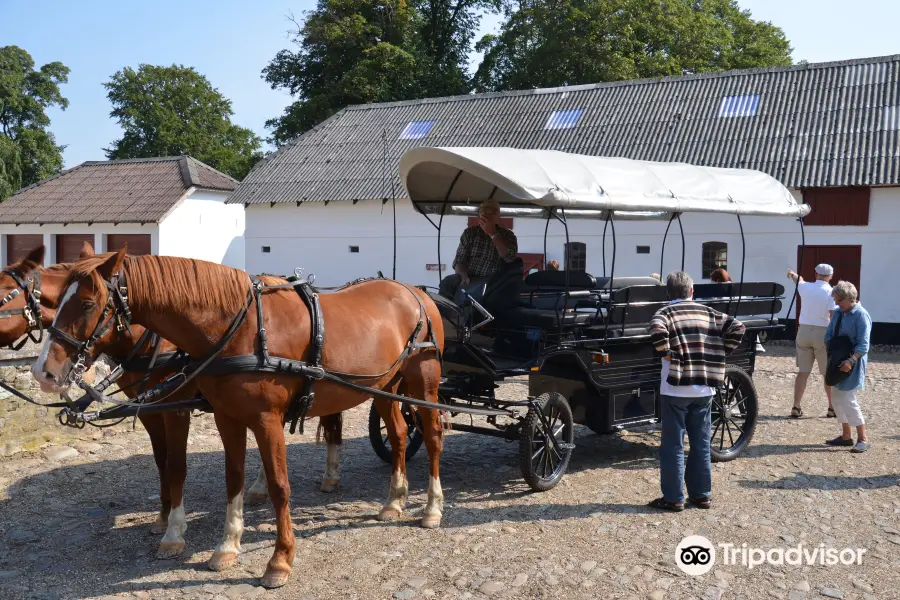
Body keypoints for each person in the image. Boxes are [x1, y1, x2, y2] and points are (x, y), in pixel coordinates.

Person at [648, 272, 745, 511]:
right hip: (704, 387)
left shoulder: (664, 313)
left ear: (668, 293)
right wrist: (721, 352)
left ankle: (673, 498)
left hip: (675, 387)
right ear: (692, 291)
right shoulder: (709, 313)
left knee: (673, 445)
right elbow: (738, 327)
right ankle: (701, 495)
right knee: (701, 443)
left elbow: (657, 332)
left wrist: (668, 354)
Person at [824, 281, 871, 453]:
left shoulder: (861, 315)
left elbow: (863, 345)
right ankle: (846, 436)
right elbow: (828, 334)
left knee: (848, 400)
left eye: (839, 301)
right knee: (836, 398)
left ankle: (863, 438)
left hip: (852, 363)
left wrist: (850, 361)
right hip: (837, 359)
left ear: (850, 298)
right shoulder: (838, 313)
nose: (836, 304)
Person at [439, 201, 518, 299]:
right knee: (447, 282)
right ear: (479, 216)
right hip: (469, 276)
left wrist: (493, 234)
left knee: (467, 292)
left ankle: (460, 313)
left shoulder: (508, 236)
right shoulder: (470, 233)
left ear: (498, 216)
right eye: (484, 213)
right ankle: (441, 312)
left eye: (491, 214)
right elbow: (460, 259)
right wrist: (462, 274)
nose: (487, 217)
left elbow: (510, 258)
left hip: (493, 281)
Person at [786, 264, 836, 418]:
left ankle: (796, 406)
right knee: (827, 373)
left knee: (803, 372)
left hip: (804, 331)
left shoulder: (805, 287)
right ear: (831, 276)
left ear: (815, 274)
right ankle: (831, 408)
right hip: (822, 332)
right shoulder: (831, 292)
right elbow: (833, 315)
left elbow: (798, 280)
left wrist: (791, 274)